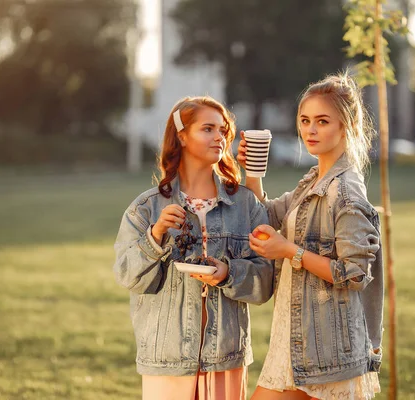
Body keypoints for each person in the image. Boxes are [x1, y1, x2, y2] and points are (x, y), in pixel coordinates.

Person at [113, 96, 274, 400]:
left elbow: (265, 283)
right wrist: (156, 234)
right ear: (182, 136)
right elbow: (128, 277)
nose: (220, 137)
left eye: (223, 130)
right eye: (208, 129)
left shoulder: (245, 204)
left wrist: (229, 274)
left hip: (226, 358)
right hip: (167, 359)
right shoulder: (146, 208)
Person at [237, 72, 384, 400]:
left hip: (327, 349)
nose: (310, 130)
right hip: (298, 339)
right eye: (305, 120)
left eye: (322, 121)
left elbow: (354, 273)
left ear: (346, 126)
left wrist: (290, 250)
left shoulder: (345, 192)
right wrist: (253, 173)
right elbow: (264, 215)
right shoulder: (314, 181)